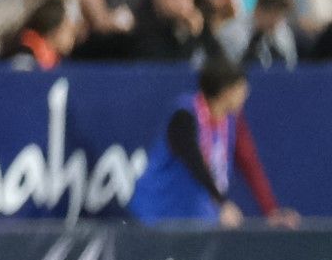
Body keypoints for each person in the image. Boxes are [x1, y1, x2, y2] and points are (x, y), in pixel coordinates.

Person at [127, 57, 300, 227]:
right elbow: (194, 161)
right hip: (157, 212)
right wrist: (222, 202)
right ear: (226, 90)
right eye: (241, 88)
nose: (246, 93)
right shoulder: (185, 115)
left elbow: (250, 165)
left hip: (194, 216)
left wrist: (271, 211)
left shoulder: (231, 120)